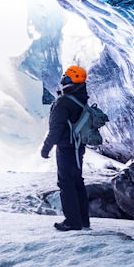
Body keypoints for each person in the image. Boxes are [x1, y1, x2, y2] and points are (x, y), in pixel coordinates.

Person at [40, 65, 91, 231]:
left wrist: (46, 148)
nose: (63, 78)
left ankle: (72, 222)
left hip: (67, 148)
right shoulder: (80, 98)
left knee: (66, 183)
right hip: (77, 146)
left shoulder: (64, 102)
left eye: (66, 76)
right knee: (77, 182)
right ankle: (83, 221)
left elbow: (56, 128)